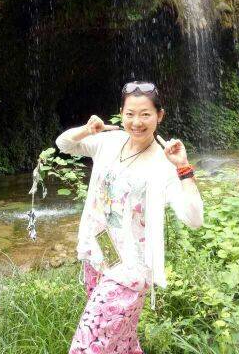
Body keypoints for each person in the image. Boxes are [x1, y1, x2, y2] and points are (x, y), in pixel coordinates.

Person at [55, 80, 204, 354]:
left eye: (145, 114)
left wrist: (183, 167)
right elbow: (63, 143)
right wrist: (88, 129)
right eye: (130, 114)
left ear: (159, 116)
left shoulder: (164, 163)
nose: (137, 122)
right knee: (120, 341)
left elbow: (194, 219)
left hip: (131, 269)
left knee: (87, 345)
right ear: (121, 114)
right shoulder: (109, 142)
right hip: (99, 254)